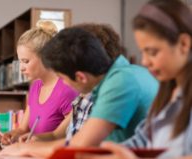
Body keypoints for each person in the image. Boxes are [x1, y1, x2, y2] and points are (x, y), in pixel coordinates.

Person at [0, 23, 158, 157]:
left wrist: (23, 148)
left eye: (64, 79)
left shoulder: (120, 82)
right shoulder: (125, 74)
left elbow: (79, 146)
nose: (65, 85)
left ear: (80, 77)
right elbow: (76, 141)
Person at [75, 0, 192, 158]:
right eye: (142, 52)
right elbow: (143, 140)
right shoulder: (166, 94)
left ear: (184, 44)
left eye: (152, 52)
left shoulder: (124, 80)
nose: (144, 61)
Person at [17, 23, 130, 143]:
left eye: (64, 77)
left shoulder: (117, 87)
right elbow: (61, 137)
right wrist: (36, 141)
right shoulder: (86, 97)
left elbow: (82, 145)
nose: (64, 84)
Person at [0, 21, 78, 144]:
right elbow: (23, 129)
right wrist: (11, 134)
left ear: (46, 57)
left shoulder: (67, 90)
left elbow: (73, 136)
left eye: (25, 61)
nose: (21, 68)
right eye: (20, 62)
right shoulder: (36, 87)